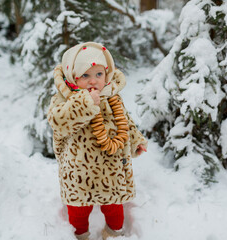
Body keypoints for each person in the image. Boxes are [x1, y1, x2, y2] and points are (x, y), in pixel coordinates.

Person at [47, 42, 147, 240]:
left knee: (113, 207)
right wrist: (85, 103)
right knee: (78, 211)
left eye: (99, 75)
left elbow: (125, 122)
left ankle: (112, 233)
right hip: (78, 172)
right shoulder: (64, 99)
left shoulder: (112, 97)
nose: (93, 81)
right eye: (85, 75)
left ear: (107, 74)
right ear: (73, 76)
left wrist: (136, 141)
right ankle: (80, 234)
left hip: (111, 169)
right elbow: (58, 122)